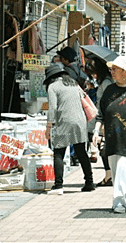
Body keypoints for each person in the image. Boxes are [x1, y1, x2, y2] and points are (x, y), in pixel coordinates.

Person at [93, 56, 126, 213]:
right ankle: (122, 199)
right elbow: (101, 112)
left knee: (121, 167)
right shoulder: (109, 89)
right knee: (115, 169)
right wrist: (96, 130)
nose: (111, 72)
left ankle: (119, 202)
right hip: (111, 136)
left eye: (115, 69)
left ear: (125, 72)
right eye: (111, 69)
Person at [44, 63, 95, 195]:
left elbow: (53, 108)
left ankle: (58, 185)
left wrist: (48, 127)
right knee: (81, 152)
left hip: (64, 122)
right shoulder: (73, 84)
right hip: (80, 121)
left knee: (59, 152)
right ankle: (89, 182)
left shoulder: (53, 87)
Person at [84, 58, 113, 184]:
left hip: (103, 118)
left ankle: (109, 176)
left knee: (104, 148)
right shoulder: (104, 81)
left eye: (94, 73)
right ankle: (108, 175)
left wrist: (103, 125)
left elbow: (106, 102)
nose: (93, 76)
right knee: (102, 147)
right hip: (100, 117)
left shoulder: (106, 82)